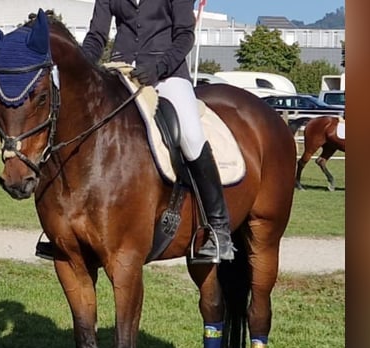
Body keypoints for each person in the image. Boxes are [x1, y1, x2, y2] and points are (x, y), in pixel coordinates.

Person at [38, 0, 233, 262]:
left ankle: (219, 230)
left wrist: (159, 68)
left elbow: (185, 35)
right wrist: (79, 69)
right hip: (119, 71)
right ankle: (64, 227)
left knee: (190, 135)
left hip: (167, 74)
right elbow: (97, 35)